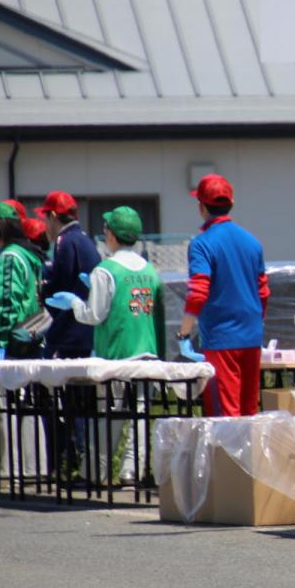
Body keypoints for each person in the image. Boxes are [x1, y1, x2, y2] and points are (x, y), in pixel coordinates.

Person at [47, 207, 164, 485]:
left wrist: (75, 304)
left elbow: (94, 315)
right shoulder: (150, 270)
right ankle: (131, 471)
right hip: (147, 354)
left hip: (115, 356)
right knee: (139, 417)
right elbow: (158, 316)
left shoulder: (106, 270)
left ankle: (94, 472)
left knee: (108, 417)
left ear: (111, 234)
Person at [178, 174, 269, 417]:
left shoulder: (201, 244)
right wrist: (254, 324)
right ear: (232, 203)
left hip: (221, 339)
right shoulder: (253, 243)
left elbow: (198, 292)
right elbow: (263, 292)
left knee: (225, 418)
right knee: (248, 413)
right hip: (251, 337)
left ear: (201, 207)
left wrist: (184, 333)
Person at [0, 201, 45, 360]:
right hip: (32, 335)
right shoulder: (27, 254)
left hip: (13, 344)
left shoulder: (10, 257)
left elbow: (6, 302)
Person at [38, 190, 99, 359]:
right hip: (87, 330)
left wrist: (44, 288)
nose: (45, 225)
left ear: (52, 216)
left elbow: (61, 286)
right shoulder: (85, 239)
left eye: (45, 218)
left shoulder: (64, 240)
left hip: (70, 334)